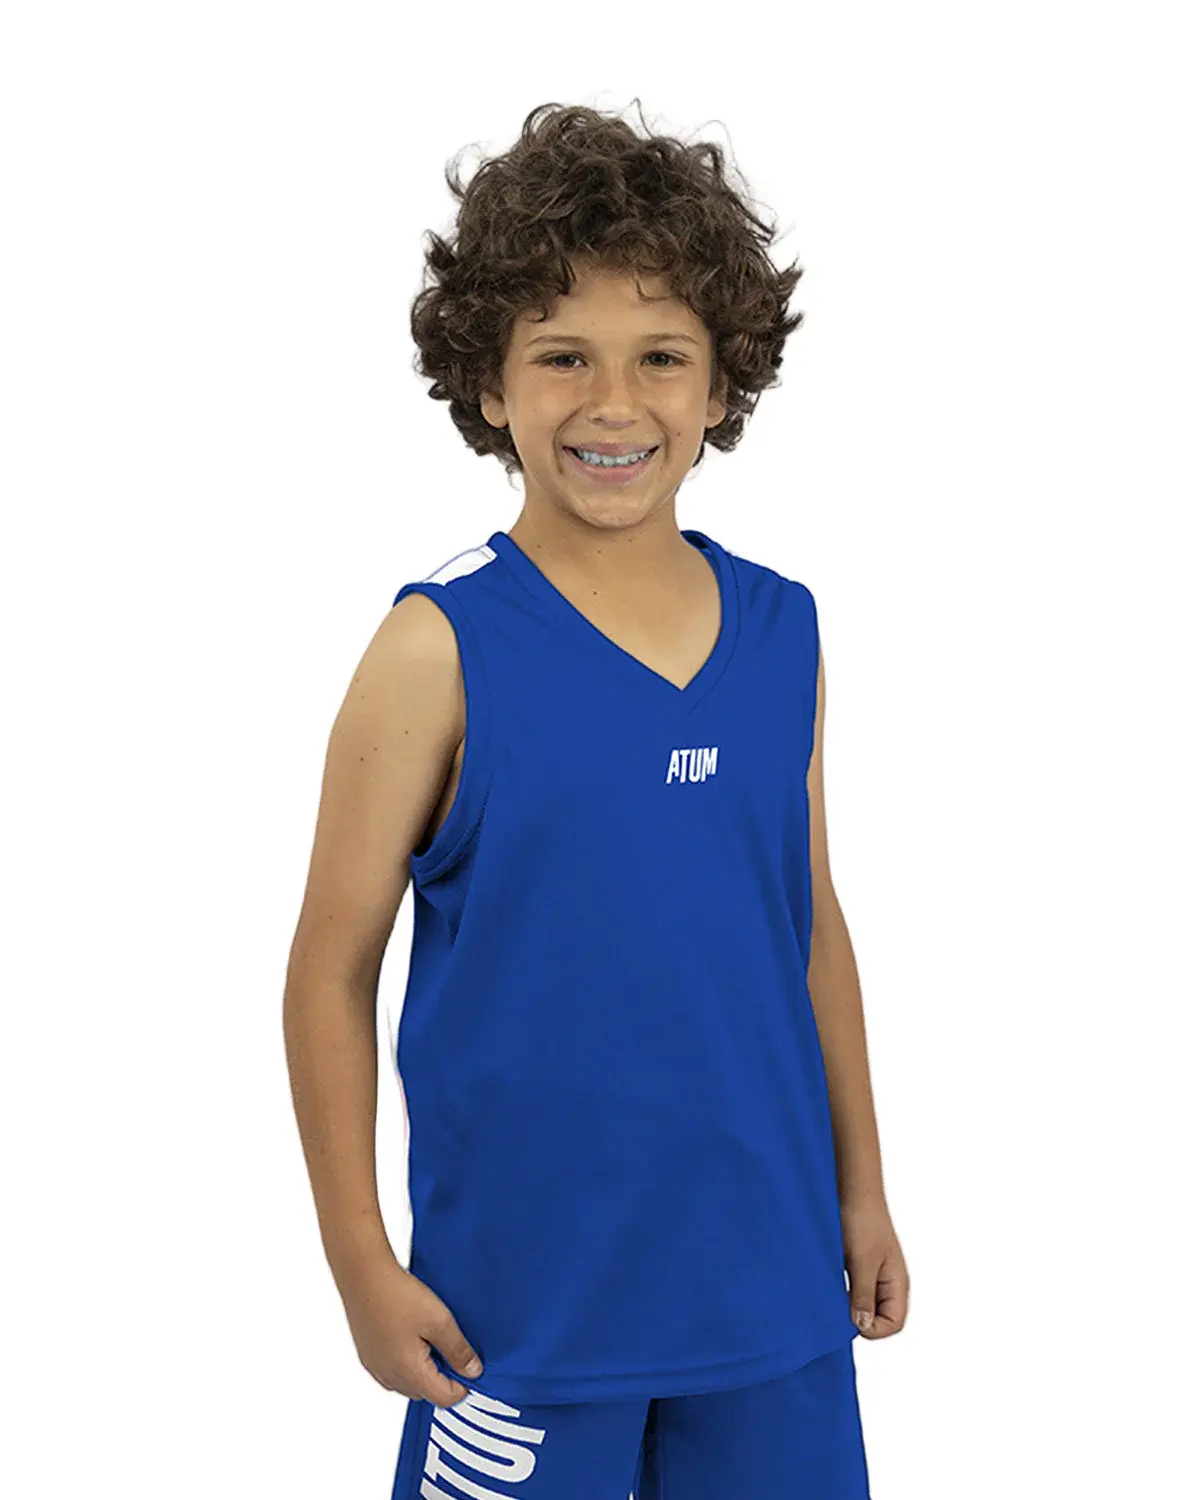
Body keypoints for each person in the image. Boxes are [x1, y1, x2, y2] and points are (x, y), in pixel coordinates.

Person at [284, 100, 908, 1499]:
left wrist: (863, 1190)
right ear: (489, 384)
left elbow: (809, 929)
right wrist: (358, 1265)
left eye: (661, 357)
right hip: (517, 1320)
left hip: (770, 1300)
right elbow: (330, 971)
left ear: (724, 386)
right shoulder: (436, 647)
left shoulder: (785, 632)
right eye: (562, 355)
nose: (613, 403)